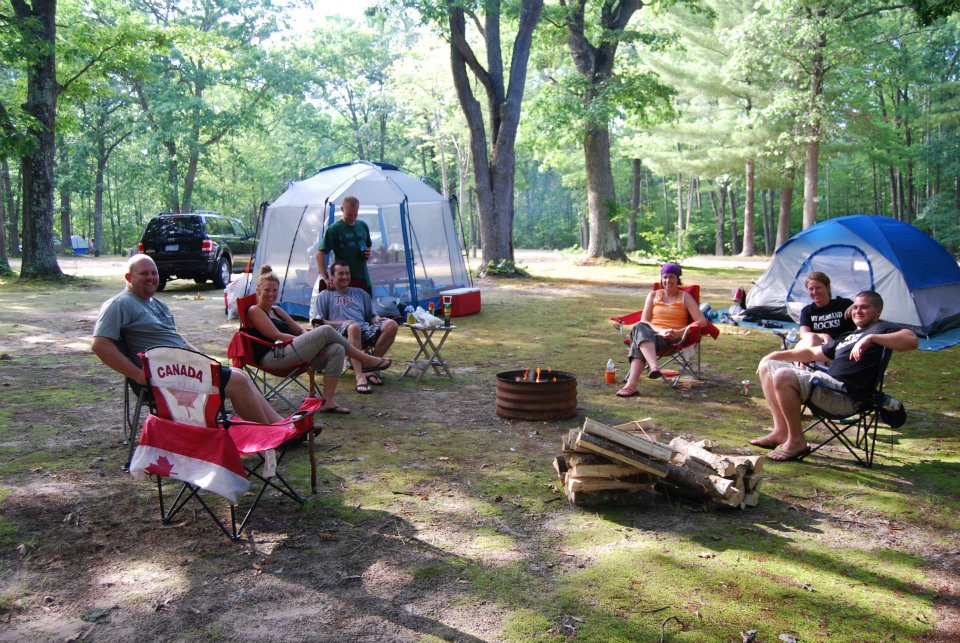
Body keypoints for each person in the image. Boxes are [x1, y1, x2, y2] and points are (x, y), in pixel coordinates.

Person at [92, 255, 285, 425]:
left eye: (154, 273)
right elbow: (100, 345)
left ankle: (281, 425)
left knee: (238, 374)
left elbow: (175, 337)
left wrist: (201, 357)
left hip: (185, 369)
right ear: (129, 277)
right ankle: (270, 435)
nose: (151, 277)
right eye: (144, 273)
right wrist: (136, 374)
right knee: (237, 381)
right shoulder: (120, 304)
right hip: (165, 376)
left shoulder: (157, 304)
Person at [751, 291, 918, 461]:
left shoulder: (882, 328)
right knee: (767, 366)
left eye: (864, 307)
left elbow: (912, 340)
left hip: (845, 396)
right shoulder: (849, 336)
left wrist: (870, 338)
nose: (858, 311)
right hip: (827, 386)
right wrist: (775, 355)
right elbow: (812, 352)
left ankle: (796, 442)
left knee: (783, 375)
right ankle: (781, 432)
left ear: (878, 311)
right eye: (855, 307)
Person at [246, 265, 391, 414]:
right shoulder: (254, 310)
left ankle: (328, 401)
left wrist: (312, 343)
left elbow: (300, 330)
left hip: (290, 354)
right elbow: (277, 335)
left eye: (275, 290)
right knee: (325, 330)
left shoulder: (277, 310)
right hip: (273, 358)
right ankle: (365, 359)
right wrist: (311, 342)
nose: (271, 294)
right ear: (258, 291)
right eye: (267, 290)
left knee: (337, 349)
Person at [616, 263, 708, 397]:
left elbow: (702, 321)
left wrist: (678, 332)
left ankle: (631, 385)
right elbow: (644, 320)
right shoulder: (653, 295)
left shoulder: (685, 297)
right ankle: (653, 367)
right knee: (639, 327)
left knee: (638, 339)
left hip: (673, 338)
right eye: (665, 277)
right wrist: (660, 331)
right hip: (653, 335)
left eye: (671, 277)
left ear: (677, 279)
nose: (668, 280)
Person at [315, 261, 398, 394]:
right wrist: (343, 322)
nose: (345, 277)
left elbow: (371, 316)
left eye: (347, 273)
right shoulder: (325, 295)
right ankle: (360, 377)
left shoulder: (360, 293)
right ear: (332, 277)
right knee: (354, 327)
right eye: (340, 274)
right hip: (338, 334)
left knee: (391, 325)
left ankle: (370, 367)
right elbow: (319, 322)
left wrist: (377, 319)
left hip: (363, 329)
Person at [316, 196, 372, 294]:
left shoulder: (363, 225)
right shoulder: (334, 229)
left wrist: (368, 252)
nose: (352, 218)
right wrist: (325, 277)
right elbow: (320, 254)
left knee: (366, 303)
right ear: (342, 209)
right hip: (343, 282)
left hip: (363, 280)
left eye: (355, 214)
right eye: (349, 215)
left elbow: (368, 245)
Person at [795, 272, 855, 352]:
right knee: (808, 340)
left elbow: (867, 303)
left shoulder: (844, 304)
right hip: (819, 347)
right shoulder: (807, 311)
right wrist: (823, 336)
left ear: (827, 287)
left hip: (843, 346)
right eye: (811, 289)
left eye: (818, 288)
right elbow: (804, 334)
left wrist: (855, 305)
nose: (815, 292)